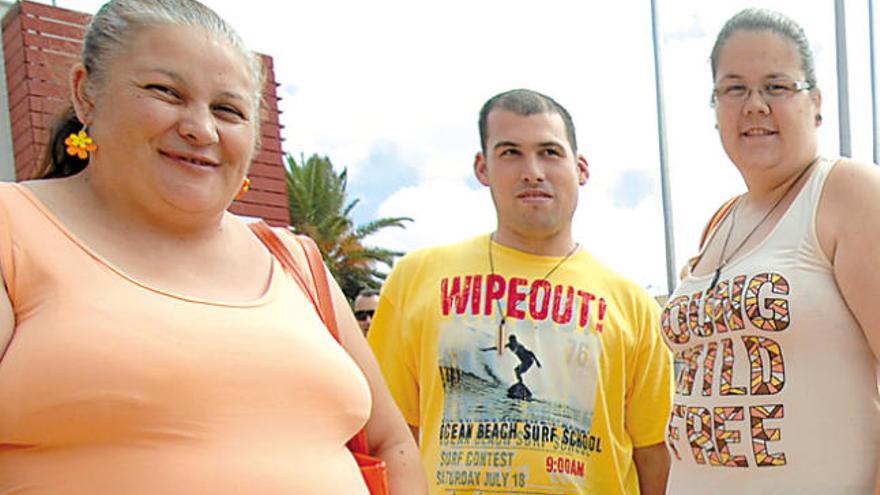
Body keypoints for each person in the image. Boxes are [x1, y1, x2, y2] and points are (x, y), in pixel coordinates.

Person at [0, 1, 425, 493]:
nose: (200, 129)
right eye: (166, 92)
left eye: (227, 109)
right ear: (85, 94)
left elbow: (390, 440)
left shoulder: (296, 260)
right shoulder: (12, 227)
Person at [368, 88, 673, 495]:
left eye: (550, 152)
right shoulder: (417, 279)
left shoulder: (631, 303)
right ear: (482, 167)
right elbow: (387, 438)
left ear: (580, 168)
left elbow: (654, 452)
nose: (532, 171)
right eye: (510, 152)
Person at [662, 8, 880, 494]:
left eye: (777, 86)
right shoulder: (720, 222)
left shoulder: (849, 193)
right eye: (734, 88)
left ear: (816, 103)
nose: (754, 104)